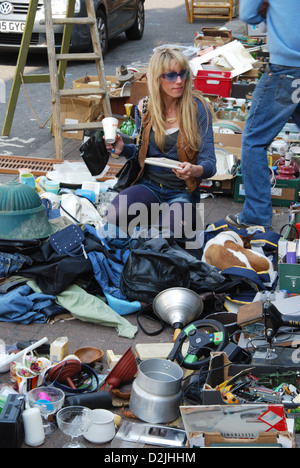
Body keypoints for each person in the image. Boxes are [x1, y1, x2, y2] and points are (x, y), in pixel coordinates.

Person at [104, 47, 216, 243]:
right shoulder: (144, 108)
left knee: (166, 237)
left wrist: (194, 170)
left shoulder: (198, 109)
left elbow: (210, 164)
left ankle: (169, 229)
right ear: (157, 79)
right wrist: (124, 149)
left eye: (183, 74)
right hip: (149, 186)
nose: (179, 81)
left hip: (183, 192)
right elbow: (143, 155)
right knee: (113, 215)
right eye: (171, 76)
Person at [226, 0, 300, 230]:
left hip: (286, 68)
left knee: (253, 141)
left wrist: (270, 14)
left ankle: (256, 215)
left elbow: (248, 13)